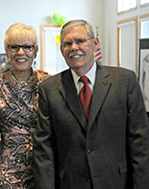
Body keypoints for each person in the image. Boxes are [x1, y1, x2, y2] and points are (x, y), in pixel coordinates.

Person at [33, 19, 149, 189]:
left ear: (95, 43)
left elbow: (140, 142)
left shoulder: (125, 82)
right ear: (61, 50)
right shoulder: (49, 89)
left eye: (80, 41)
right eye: (67, 43)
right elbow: (44, 149)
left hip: (116, 182)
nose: (74, 48)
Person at [0, 23, 50, 188]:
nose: (20, 53)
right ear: (7, 51)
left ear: (35, 51)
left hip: (44, 166)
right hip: (8, 171)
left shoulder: (48, 83)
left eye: (27, 47)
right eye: (14, 47)